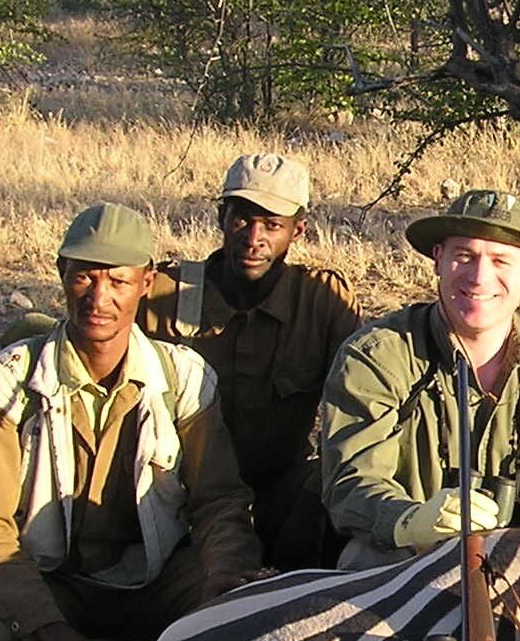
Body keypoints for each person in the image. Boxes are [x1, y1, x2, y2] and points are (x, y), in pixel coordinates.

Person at [0, 202, 264, 641]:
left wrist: (221, 592)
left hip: (158, 573)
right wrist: (52, 631)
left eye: (118, 280)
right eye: (85, 276)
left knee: (249, 613)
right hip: (56, 576)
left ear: (146, 284)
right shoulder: (10, 382)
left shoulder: (182, 376)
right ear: (61, 275)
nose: (99, 297)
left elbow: (219, 502)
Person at [320, 188, 520, 565]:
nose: (479, 277)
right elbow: (351, 482)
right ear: (438, 260)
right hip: (408, 557)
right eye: (464, 256)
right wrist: (409, 521)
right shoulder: (378, 355)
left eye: (501, 261)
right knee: (364, 558)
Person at [142, 152, 361, 568]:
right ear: (221, 217)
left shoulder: (321, 301)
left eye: (272, 225)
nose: (253, 237)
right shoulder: (164, 297)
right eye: (241, 219)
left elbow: (353, 410)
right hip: (180, 496)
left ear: (299, 230)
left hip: (279, 492)